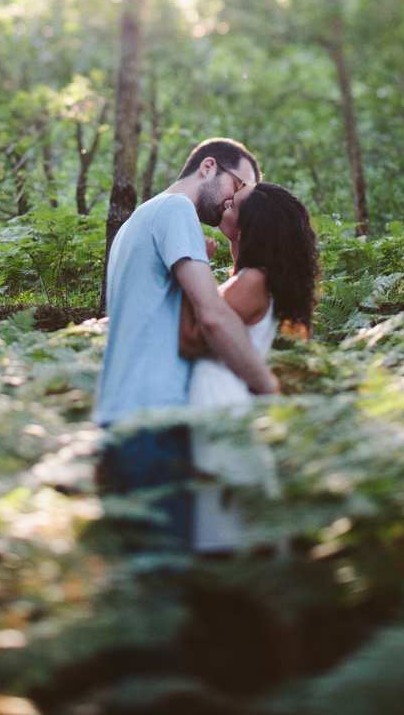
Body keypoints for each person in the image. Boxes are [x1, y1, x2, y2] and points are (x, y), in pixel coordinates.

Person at [94, 138, 279, 554]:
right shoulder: (177, 211)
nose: (238, 200)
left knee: (138, 576)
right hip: (155, 419)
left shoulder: (136, 222)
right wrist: (267, 387)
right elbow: (211, 314)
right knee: (163, 578)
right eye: (239, 185)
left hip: (118, 416)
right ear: (209, 167)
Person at [180, 182, 317, 553]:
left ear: (249, 225)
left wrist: (193, 266)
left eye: (234, 204)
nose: (225, 202)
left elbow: (191, 334)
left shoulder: (253, 281)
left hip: (218, 397)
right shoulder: (251, 279)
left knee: (224, 528)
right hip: (225, 396)